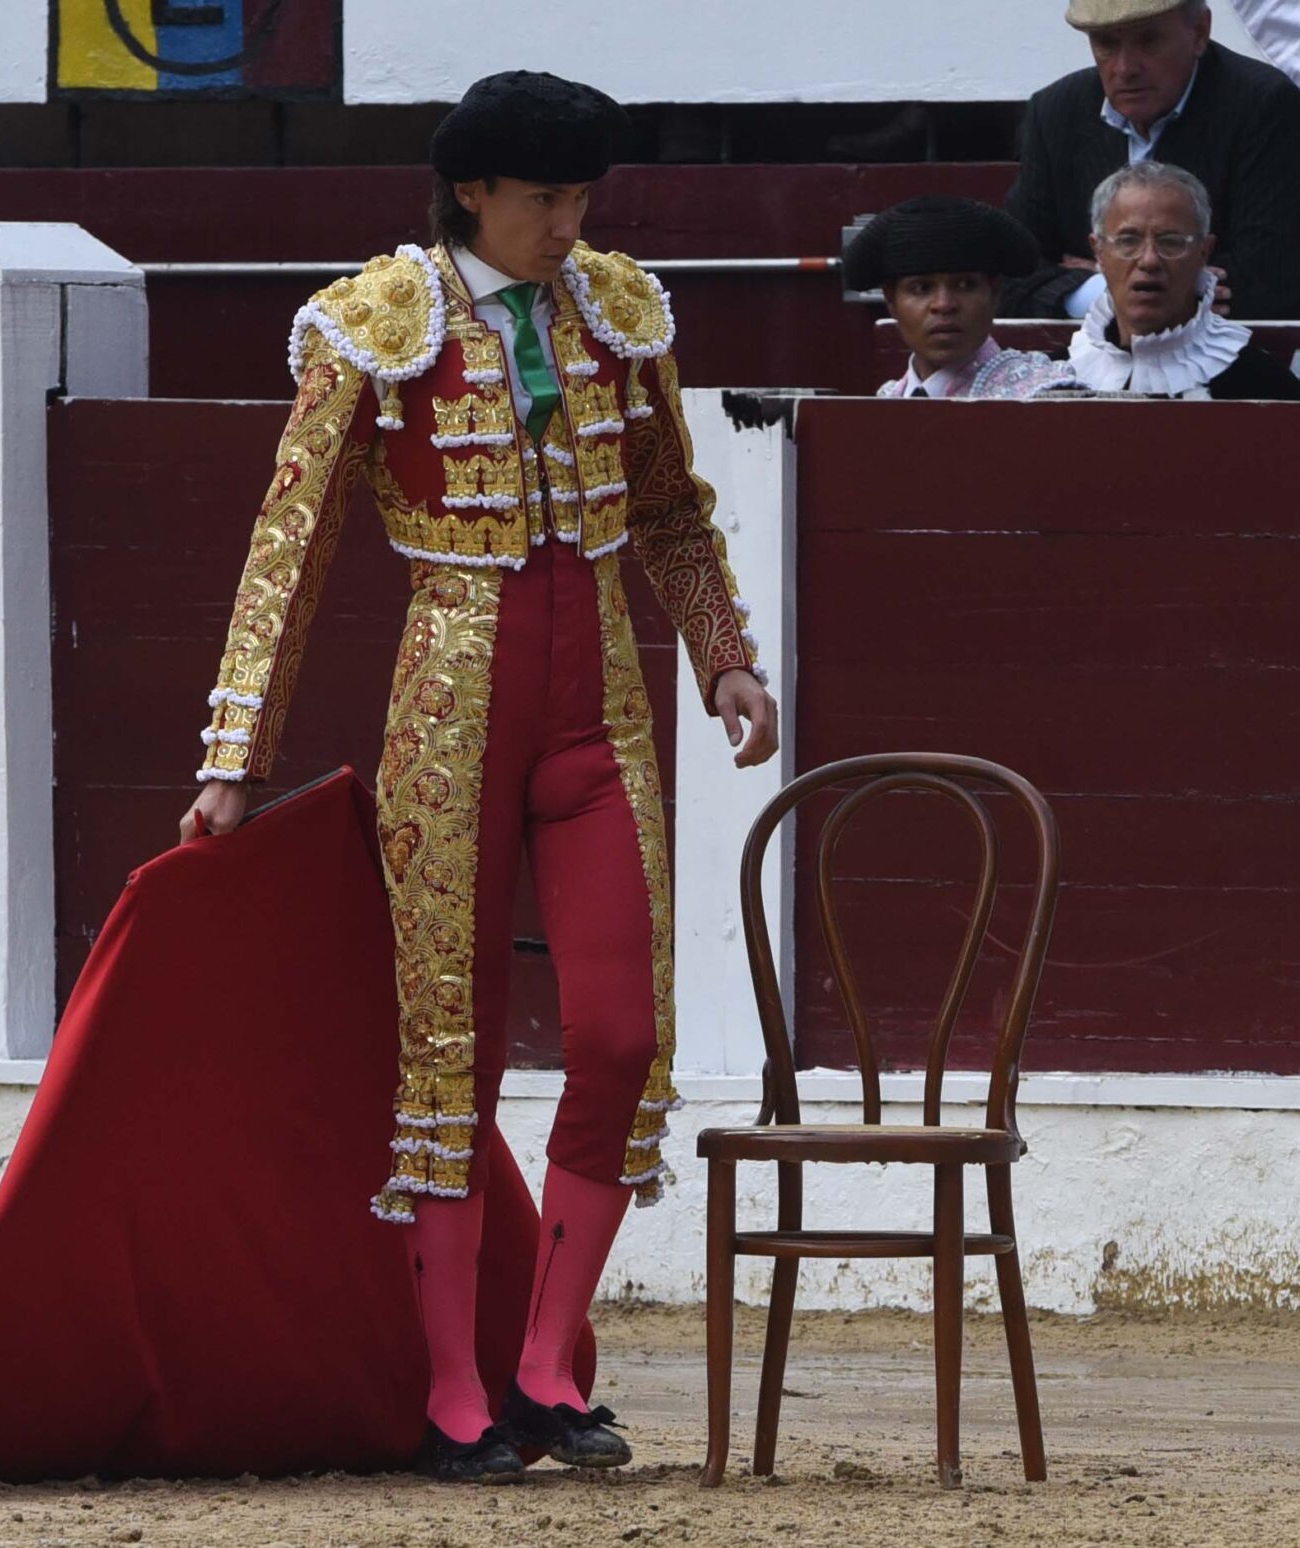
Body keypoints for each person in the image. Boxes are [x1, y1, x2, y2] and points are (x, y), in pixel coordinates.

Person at [182, 70, 779, 1481]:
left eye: (583, 198)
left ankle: (542, 1365)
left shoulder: (615, 313)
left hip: (600, 718)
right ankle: (453, 1390)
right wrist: (233, 755)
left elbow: (670, 511)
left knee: (627, 1045)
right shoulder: (376, 324)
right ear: (473, 194)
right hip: (449, 705)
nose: (570, 225)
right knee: (445, 1056)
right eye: (546, 200)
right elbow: (293, 541)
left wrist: (722, 656)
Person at [1003, 0, 1300, 322]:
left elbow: (1271, 277)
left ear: (1199, 33)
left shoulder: (1261, 103)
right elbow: (1011, 272)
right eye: (1106, 43)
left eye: (1148, 40)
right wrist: (1112, 291)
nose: (1124, 68)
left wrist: (1106, 276)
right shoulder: (1055, 112)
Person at [1065, 163, 1300, 401]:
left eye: (1171, 241)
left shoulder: (1264, 386)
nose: (1149, 260)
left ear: (1203, 252)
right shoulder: (1060, 377)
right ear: (1099, 252)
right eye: (1128, 241)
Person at [844, 195, 1080, 400]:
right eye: (921, 288)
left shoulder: (1043, 395)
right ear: (891, 301)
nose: (944, 304)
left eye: (965, 285)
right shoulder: (887, 400)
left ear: (995, 293)